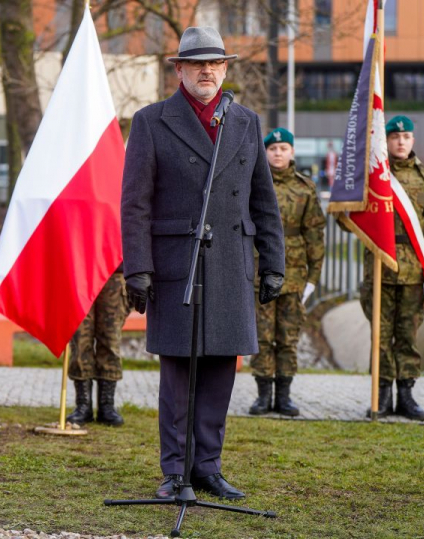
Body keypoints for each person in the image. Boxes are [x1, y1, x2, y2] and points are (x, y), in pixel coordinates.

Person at [121, 26, 285, 501]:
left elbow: (263, 199)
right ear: (179, 69)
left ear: (226, 68)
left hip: (231, 263)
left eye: (215, 63)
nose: (207, 71)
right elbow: (135, 203)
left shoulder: (246, 122)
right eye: (197, 63)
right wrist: (138, 267)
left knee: (219, 372)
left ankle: (207, 467)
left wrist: (273, 261)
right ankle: (175, 473)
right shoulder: (151, 121)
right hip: (178, 265)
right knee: (178, 372)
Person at [359, 115, 424, 421]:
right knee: (381, 335)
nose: (400, 142)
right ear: (387, 141)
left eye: (405, 137)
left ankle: (406, 396)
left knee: (407, 335)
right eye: (395, 137)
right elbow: (355, 217)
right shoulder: (373, 176)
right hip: (380, 268)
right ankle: (381, 396)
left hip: (412, 271)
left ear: (412, 141)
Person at [248, 128, 326, 417]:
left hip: (293, 277)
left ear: (292, 152)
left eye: (283, 148)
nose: (278, 153)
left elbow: (315, 236)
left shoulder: (305, 188)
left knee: (287, 337)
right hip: (260, 273)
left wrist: (313, 278)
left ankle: (284, 395)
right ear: (265, 153)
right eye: (273, 149)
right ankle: (262, 394)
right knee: (262, 336)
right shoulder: (253, 183)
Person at [66, 266, 130, 427]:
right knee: (80, 341)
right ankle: (83, 405)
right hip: (81, 271)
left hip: (114, 272)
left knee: (110, 340)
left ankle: (107, 406)